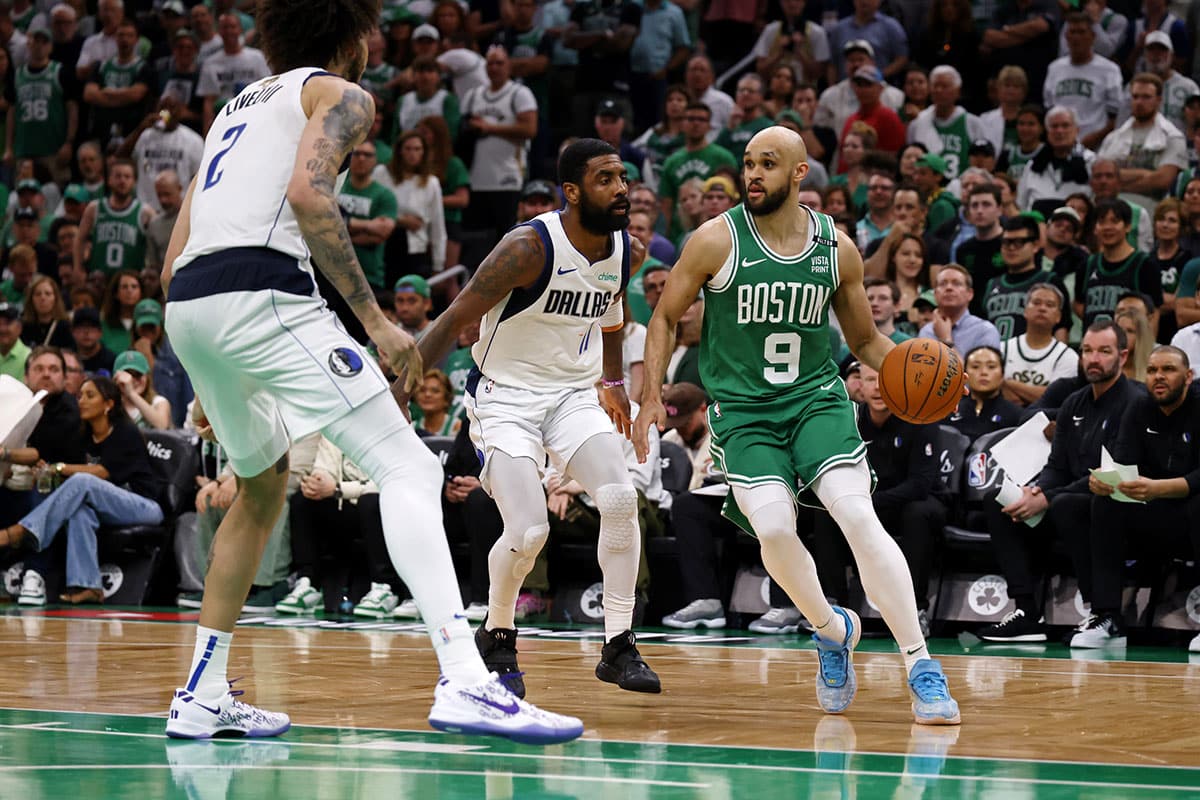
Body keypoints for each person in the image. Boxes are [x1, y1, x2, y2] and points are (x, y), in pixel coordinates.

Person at [158, 0, 582, 743]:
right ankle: (465, 680)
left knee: (259, 492)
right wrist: (378, 321)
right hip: (264, 291)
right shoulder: (340, 94)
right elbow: (308, 195)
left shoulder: (230, 110)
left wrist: (207, 360)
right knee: (409, 467)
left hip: (191, 307)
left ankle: (201, 694)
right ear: (354, 37)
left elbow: (174, 256)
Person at [633, 126, 960, 725]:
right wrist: (650, 395)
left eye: (768, 164)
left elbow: (864, 339)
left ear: (800, 173)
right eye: (748, 164)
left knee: (858, 516)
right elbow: (663, 317)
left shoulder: (836, 248)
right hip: (747, 414)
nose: (753, 174)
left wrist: (922, 371)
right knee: (777, 533)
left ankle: (920, 664)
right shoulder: (716, 240)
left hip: (815, 401)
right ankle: (832, 630)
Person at [400, 138, 660, 698]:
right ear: (571, 192)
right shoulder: (527, 248)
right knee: (529, 530)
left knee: (618, 498)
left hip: (572, 394)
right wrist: (398, 387)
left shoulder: (627, 251)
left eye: (623, 178)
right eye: (606, 180)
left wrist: (613, 383)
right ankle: (498, 632)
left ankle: (619, 643)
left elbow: (613, 317)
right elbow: (454, 318)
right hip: (505, 398)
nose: (622, 189)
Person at [977, 321, 1142, 643]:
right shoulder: (1073, 403)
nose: (1094, 359)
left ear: (1123, 356)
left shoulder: (1134, 403)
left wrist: (1048, 498)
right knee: (998, 500)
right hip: (1065, 498)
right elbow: (1056, 466)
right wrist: (1035, 491)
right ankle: (1026, 611)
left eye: (1104, 352)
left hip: (1117, 504)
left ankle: (1105, 615)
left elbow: (1114, 473)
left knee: (1072, 504)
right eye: (1088, 351)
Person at [1075, 345, 1200, 648]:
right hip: (1153, 512)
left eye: (1168, 370)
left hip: (1189, 511)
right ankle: (1107, 616)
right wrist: (1105, 482)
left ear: (1188, 376)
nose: (1159, 377)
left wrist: (1160, 488)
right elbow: (1122, 462)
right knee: (1103, 502)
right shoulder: (1139, 408)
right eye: (1153, 370)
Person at [0, 376, 163, 605]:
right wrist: (47, 472)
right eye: (80, 396)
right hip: (106, 506)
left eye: (90, 395)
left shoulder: (126, 432)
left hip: (143, 505)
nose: (82, 401)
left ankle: (18, 532)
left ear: (108, 404)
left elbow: (100, 473)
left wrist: (59, 468)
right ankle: (88, 585)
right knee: (79, 511)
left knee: (83, 481)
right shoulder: (82, 436)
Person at [75, 157, 155, 279]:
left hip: (130, 281)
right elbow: (79, 239)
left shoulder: (145, 211)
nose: (122, 181)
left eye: (127, 177)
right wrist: (78, 268)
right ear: (109, 180)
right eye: (118, 176)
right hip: (99, 279)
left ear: (134, 182)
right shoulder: (94, 208)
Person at [1000, 283, 1079, 406]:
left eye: (1050, 305)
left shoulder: (1068, 357)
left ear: (1058, 316)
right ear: (1025, 311)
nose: (1042, 308)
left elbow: (1054, 399)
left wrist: (1007, 383)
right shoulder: (1003, 349)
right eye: (1036, 303)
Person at [918, 264, 1001, 358]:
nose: (949, 288)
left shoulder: (985, 331)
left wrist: (945, 340)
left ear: (970, 294)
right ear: (935, 294)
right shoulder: (926, 332)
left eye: (956, 283)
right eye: (943, 284)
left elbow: (981, 372)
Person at [946, 345, 1023, 440]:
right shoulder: (948, 410)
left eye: (991, 367)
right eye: (975, 367)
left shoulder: (1016, 416)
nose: (983, 372)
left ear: (1002, 374)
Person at [18, 275, 74, 350]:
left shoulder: (65, 327)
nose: (42, 298)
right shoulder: (23, 327)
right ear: (31, 300)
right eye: (38, 294)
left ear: (55, 298)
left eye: (48, 294)